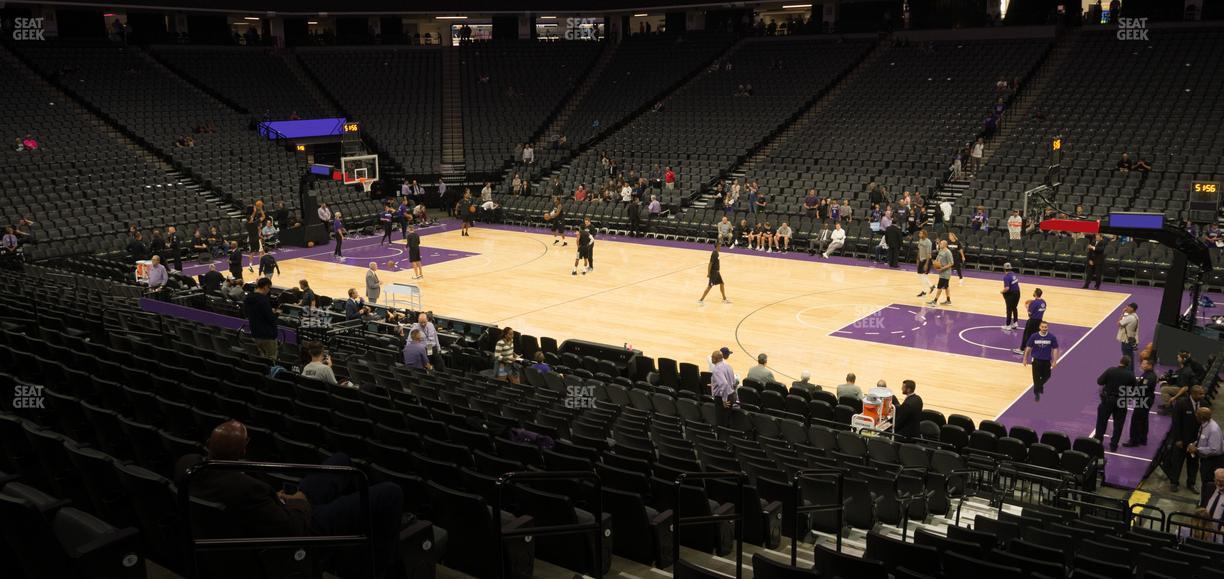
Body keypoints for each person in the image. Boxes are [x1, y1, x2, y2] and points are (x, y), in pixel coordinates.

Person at [175, 421, 404, 579]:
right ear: (243, 452)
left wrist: (277, 498)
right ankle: (376, 570)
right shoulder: (247, 490)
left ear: (208, 445)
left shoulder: (188, 468)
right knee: (390, 492)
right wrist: (299, 501)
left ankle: (346, 550)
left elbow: (257, 502)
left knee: (341, 460)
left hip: (272, 511)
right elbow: (292, 528)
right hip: (302, 527)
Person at [1169, 386, 1207, 493]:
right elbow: (1176, 422)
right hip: (1182, 440)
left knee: (1193, 463)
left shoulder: (1203, 404)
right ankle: (1174, 482)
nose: (1203, 396)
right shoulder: (1181, 403)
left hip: (1195, 442)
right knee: (1177, 462)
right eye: (1200, 394)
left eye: (1203, 394)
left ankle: (1191, 483)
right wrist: (1178, 439)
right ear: (1193, 394)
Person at [1095, 356, 1136, 452]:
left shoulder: (1111, 370)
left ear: (1120, 361)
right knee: (1118, 424)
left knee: (1101, 422)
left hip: (1108, 400)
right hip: (1121, 401)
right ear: (1128, 364)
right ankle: (1114, 445)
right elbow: (1134, 388)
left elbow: (1099, 381)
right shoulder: (1130, 375)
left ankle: (1098, 442)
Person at [1190, 407, 1224, 507]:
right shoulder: (1204, 425)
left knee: (1208, 483)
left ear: (1200, 417)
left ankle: (1205, 505)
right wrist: (1194, 444)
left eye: (1196, 414)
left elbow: (1215, 449)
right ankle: (1203, 502)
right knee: (1205, 482)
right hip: (1207, 460)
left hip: (1213, 461)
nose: (1195, 415)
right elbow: (1203, 439)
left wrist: (1197, 449)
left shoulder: (1213, 429)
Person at [1123, 358, 1158, 447]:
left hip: (1144, 400)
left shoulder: (1149, 376)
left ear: (1149, 365)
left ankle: (1134, 441)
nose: (1141, 365)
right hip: (1145, 399)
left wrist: (1130, 393)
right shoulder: (1147, 374)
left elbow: (1142, 389)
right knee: (1143, 419)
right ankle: (1142, 439)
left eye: (1143, 364)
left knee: (1136, 420)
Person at [1022, 321, 1059, 402]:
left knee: (1047, 376)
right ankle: (1036, 394)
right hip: (1036, 361)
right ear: (1040, 327)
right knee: (1036, 378)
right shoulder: (1034, 336)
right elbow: (1028, 348)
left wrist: (1054, 361)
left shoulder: (1051, 337)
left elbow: (1055, 348)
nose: (1044, 328)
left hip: (1046, 361)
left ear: (1047, 328)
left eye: (1045, 327)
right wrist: (1025, 359)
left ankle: (1039, 386)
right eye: (1042, 327)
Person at [245, 277, 279, 361]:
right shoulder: (263, 300)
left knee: (259, 359)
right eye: (269, 288)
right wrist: (276, 314)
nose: (269, 290)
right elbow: (270, 318)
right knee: (271, 359)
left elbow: (246, 313)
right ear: (265, 287)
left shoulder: (248, 298)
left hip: (255, 333)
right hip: (267, 335)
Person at [1014, 288, 1046, 355]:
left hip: (1032, 321)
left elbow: (1029, 314)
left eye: (1034, 292)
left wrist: (1027, 307)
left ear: (1035, 294)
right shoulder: (1043, 302)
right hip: (1040, 321)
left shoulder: (1033, 303)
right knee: (1038, 336)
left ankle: (1022, 349)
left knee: (1026, 335)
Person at [709, 349, 737, 426]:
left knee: (721, 422)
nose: (711, 358)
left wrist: (724, 400)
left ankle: (722, 437)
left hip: (723, 398)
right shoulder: (728, 366)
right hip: (731, 395)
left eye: (712, 357)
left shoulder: (717, 369)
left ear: (715, 359)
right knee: (728, 420)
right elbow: (734, 383)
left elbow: (724, 384)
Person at [928, 240, 954, 306]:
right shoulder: (941, 251)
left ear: (945, 245)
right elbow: (937, 260)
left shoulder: (948, 252)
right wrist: (934, 263)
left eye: (941, 244)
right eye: (940, 243)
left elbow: (951, 263)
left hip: (946, 273)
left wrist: (942, 268)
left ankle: (935, 301)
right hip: (941, 272)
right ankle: (948, 301)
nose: (940, 244)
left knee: (939, 287)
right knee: (946, 286)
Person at [1117, 302, 1139, 370]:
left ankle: (1128, 373)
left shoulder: (1129, 318)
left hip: (1126, 341)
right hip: (1131, 339)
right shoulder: (1135, 316)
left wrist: (1122, 313)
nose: (1126, 308)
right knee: (1130, 357)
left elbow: (1119, 323)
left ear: (1132, 309)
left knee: (1127, 359)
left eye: (1128, 307)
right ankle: (1131, 373)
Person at [1001, 263, 1021, 330]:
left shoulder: (1006, 277)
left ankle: (1008, 325)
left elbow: (1007, 288)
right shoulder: (1013, 274)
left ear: (1004, 269)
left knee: (1009, 309)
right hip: (1018, 293)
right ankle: (1015, 323)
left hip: (1011, 294)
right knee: (1014, 308)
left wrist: (1002, 291)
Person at [915, 229, 934, 297]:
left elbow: (929, 253)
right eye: (919, 233)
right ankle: (929, 287)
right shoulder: (920, 240)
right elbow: (919, 250)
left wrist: (926, 264)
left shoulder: (928, 242)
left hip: (927, 260)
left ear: (924, 234)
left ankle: (926, 290)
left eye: (921, 233)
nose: (919, 235)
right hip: (921, 259)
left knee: (923, 275)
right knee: (920, 275)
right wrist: (917, 259)